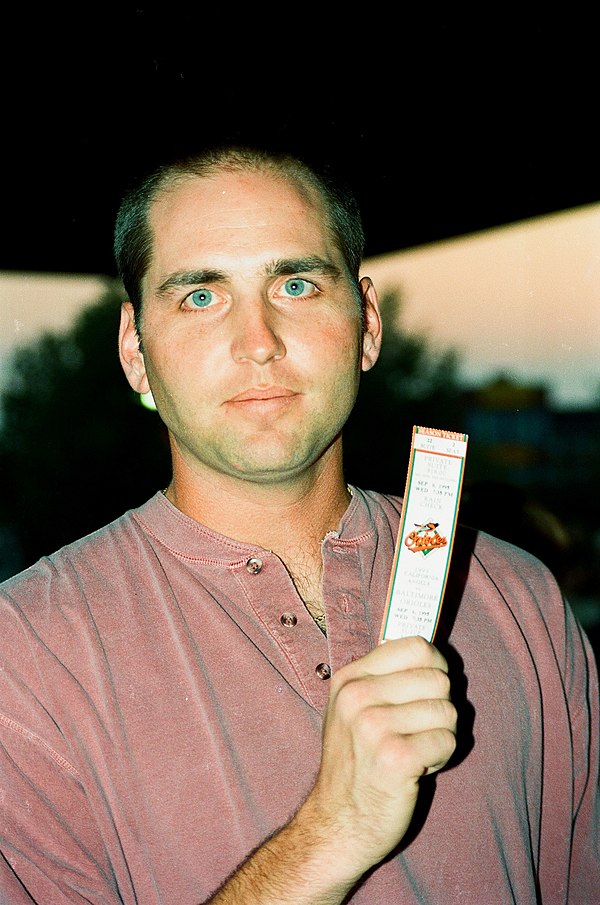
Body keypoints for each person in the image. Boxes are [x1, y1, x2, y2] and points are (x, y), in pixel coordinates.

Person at [0, 144, 597, 905]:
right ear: (135, 351)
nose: (259, 342)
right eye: (200, 297)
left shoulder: (520, 599)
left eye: (296, 283)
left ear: (368, 323)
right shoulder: (24, 656)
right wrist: (331, 834)